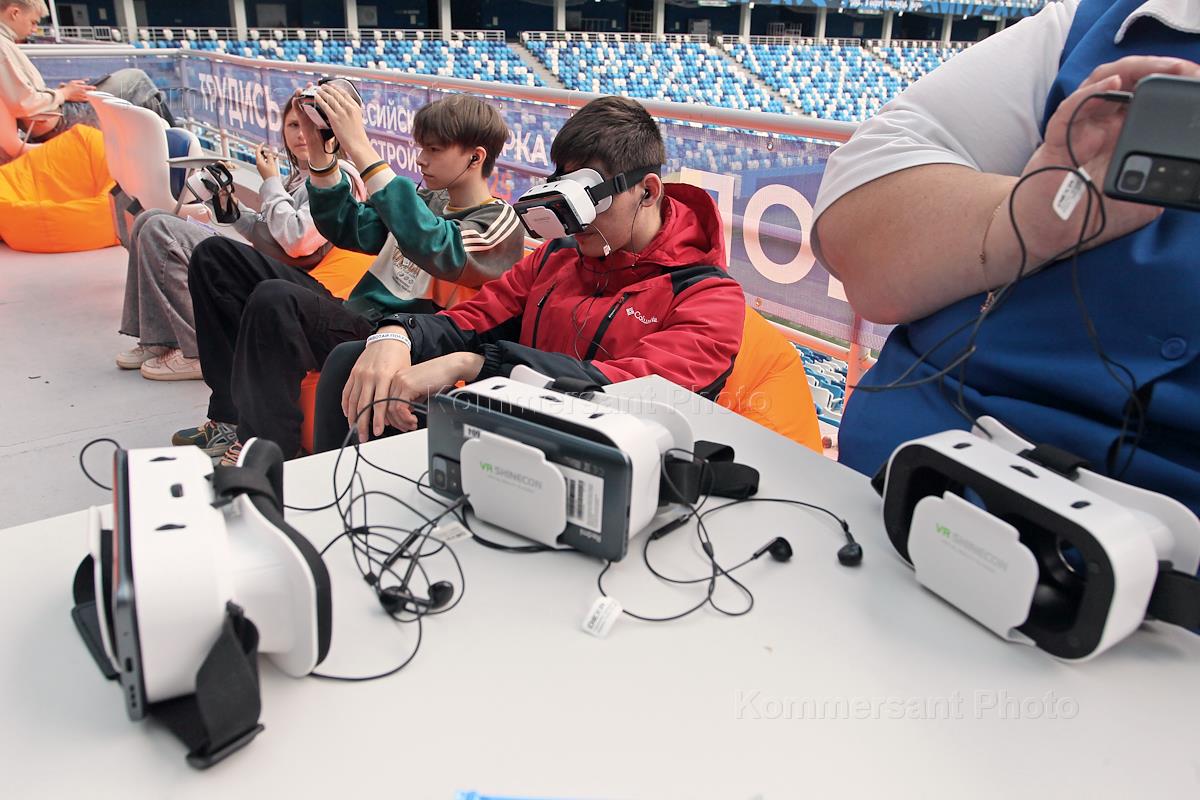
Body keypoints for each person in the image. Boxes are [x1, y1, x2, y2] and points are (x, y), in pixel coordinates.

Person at [812, 0, 1200, 518]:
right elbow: (856, 233)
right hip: (903, 481)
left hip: (1153, 551)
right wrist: (1026, 220)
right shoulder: (1093, 27)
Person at [312, 95, 747, 452]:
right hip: (504, 426)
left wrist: (477, 365)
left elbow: (636, 390)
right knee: (353, 360)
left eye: (587, 200)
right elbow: (473, 318)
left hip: (601, 453)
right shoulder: (556, 258)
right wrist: (395, 334)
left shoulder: (709, 295)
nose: (574, 222)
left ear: (647, 191)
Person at [174, 89, 524, 462]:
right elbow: (348, 226)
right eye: (421, 148)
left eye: (434, 150)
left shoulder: (499, 222)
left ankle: (267, 448)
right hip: (353, 314)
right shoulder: (427, 200)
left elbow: (439, 247)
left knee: (275, 298)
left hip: (395, 338)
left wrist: (359, 146)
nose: (421, 159)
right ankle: (228, 416)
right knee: (215, 256)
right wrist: (321, 153)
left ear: (475, 157)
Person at [117, 94, 363, 381]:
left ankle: (197, 351)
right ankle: (159, 339)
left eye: (310, 126)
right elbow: (269, 234)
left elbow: (298, 241)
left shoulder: (339, 178)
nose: (302, 134)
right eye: (294, 125)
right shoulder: (298, 177)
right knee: (148, 219)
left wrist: (271, 182)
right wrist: (230, 205)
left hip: (302, 284)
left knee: (160, 228)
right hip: (278, 267)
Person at [0, 0, 173, 141]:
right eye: (33, 22)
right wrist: (64, 93)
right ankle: (176, 144)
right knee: (138, 80)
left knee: (137, 92)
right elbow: (23, 103)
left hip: (54, 115)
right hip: (58, 122)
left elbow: (22, 97)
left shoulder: (6, 45)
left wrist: (58, 92)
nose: (34, 29)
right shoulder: (3, 47)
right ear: (15, 13)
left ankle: (171, 142)